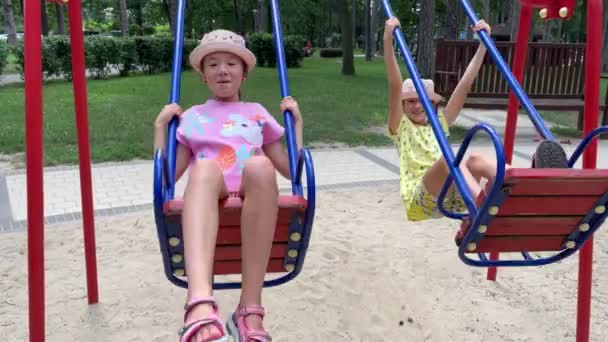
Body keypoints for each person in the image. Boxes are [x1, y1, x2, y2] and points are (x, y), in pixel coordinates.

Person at [154, 29, 303, 342]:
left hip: (254, 194)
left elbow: (291, 170)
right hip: (210, 195)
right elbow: (169, 176)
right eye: (213, 64)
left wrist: (296, 125)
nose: (223, 70)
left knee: (261, 165)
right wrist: (160, 127)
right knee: (206, 167)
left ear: (244, 74)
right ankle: (198, 305)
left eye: (232, 63)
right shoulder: (193, 117)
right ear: (203, 76)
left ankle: (249, 310)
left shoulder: (258, 113)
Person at [382, 17, 567, 222]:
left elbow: (464, 85)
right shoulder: (400, 127)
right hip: (421, 199)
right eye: (410, 102)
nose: (417, 106)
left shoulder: (439, 123)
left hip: (453, 194)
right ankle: (482, 206)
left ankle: (528, 184)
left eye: (422, 101)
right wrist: (387, 40)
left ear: (432, 104)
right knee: (450, 160)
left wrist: (482, 46)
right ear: (403, 106)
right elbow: (395, 84)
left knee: (474, 159)